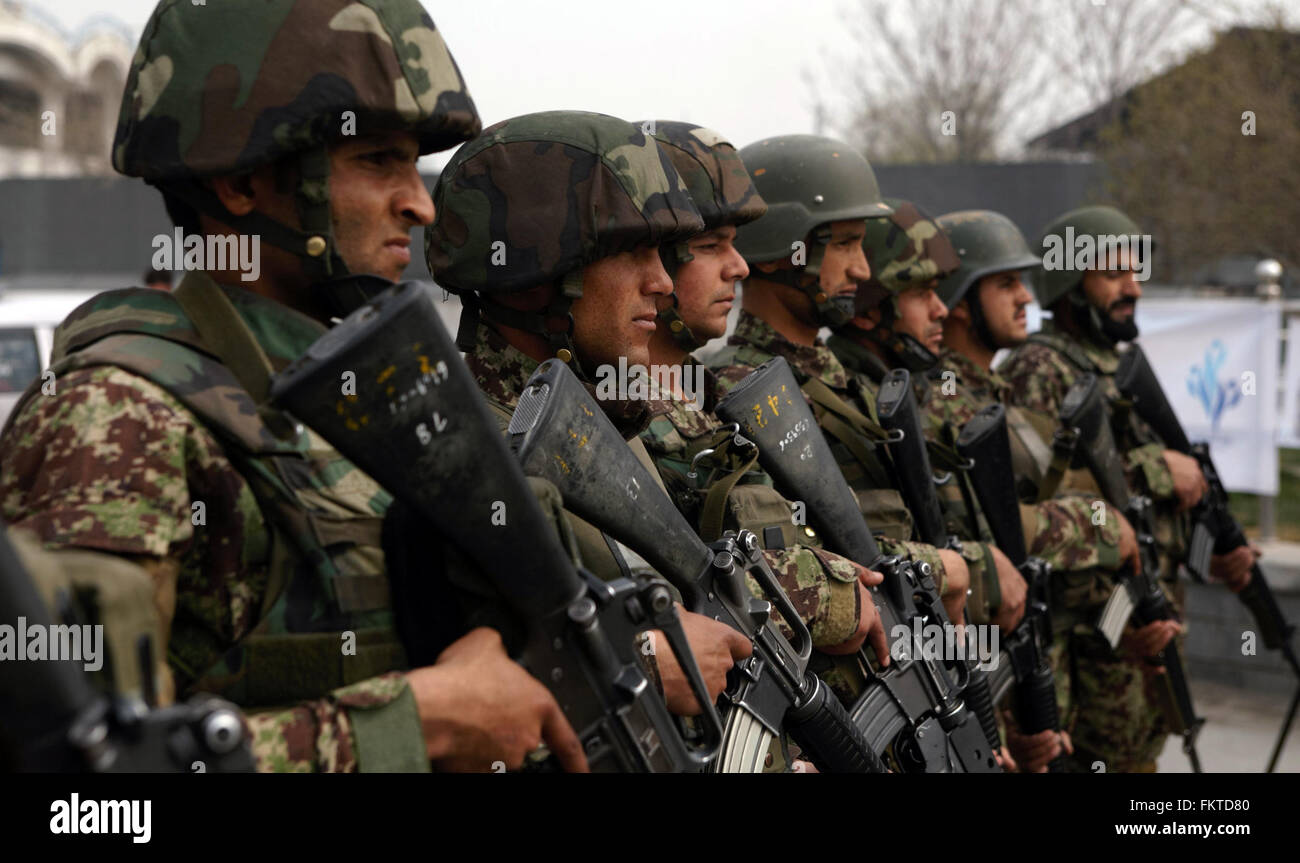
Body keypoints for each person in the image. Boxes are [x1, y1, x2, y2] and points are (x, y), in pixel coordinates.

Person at [0, 0, 586, 774]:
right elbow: (83, 796)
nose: (420, 202)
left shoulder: (366, 403)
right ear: (244, 186)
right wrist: (411, 725)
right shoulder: (116, 416)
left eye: (414, 163)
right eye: (377, 161)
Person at [997, 205, 1255, 771]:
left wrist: (1214, 545)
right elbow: (1039, 505)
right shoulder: (1039, 368)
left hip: (1137, 634)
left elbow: (1139, 500)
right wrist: (1160, 468)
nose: (1131, 287)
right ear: (1070, 283)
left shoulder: (1115, 363)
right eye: (1113, 273)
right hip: (1089, 646)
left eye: (1135, 273)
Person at [706, 135, 972, 630]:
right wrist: (949, 569)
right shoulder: (742, 392)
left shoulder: (840, 379)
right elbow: (800, 551)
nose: (862, 269)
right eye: (844, 244)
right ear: (777, 250)